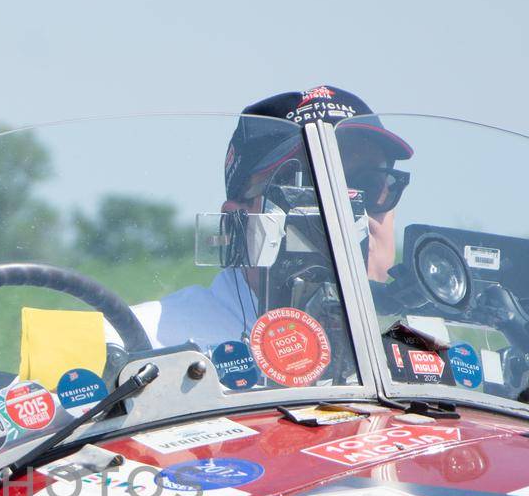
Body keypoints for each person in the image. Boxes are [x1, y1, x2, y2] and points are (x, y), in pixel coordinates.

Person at [129, 85, 413, 354]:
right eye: (306, 190)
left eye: (370, 186)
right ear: (237, 221)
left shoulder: (429, 356)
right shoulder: (144, 343)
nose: (348, 211)